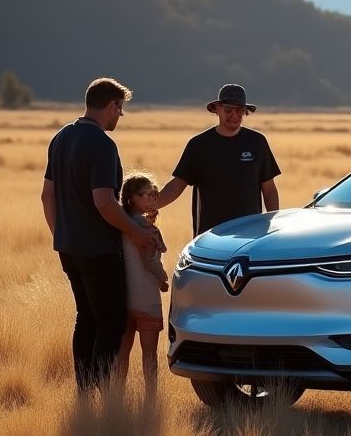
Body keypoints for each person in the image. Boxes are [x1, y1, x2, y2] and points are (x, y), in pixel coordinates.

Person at [42, 77, 158, 393]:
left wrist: (61, 234)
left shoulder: (61, 137)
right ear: (111, 106)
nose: (120, 116)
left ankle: (85, 394)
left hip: (68, 248)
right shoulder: (102, 144)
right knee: (111, 323)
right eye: (120, 110)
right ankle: (102, 395)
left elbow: (46, 195)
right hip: (99, 251)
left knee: (86, 318)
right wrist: (135, 231)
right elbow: (104, 200)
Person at [158, 84, 281, 235]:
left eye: (240, 111)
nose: (234, 115)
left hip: (250, 235)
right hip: (209, 234)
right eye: (228, 110)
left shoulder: (257, 142)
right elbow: (177, 184)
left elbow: (269, 190)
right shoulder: (199, 145)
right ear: (217, 109)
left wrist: (274, 226)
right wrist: (149, 206)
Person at [116, 173, 169, 398]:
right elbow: (150, 262)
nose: (149, 198)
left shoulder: (119, 225)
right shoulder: (147, 230)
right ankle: (150, 398)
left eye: (153, 194)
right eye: (143, 194)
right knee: (149, 356)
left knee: (122, 354)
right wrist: (163, 278)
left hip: (124, 298)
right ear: (130, 198)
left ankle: (117, 397)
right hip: (146, 297)